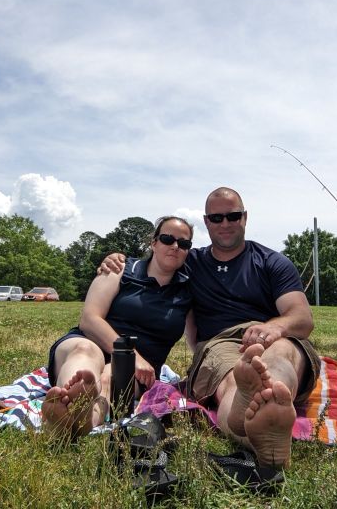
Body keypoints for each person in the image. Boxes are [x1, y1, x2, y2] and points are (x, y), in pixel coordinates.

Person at [101, 187, 320, 469]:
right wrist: (115, 258)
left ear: (245, 217)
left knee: (277, 358)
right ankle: (254, 424)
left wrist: (274, 328)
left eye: (233, 216)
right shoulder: (190, 260)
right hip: (221, 343)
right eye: (217, 218)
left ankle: (269, 402)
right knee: (233, 375)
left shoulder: (271, 262)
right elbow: (153, 263)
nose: (225, 224)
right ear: (206, 222)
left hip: (274, 336)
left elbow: (302, 318)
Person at [42, 216, 194, 438]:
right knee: (84, 353)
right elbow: (90, 319)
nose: (174, 246)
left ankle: (79, 420)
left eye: (183, 243)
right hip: (90, 341)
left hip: (137, 370)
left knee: (111, 375)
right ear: (153, 243)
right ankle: (68, 402)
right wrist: (132, 355)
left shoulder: (188, 290)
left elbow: (198, 338)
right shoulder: (120, 269)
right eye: (167, 238)